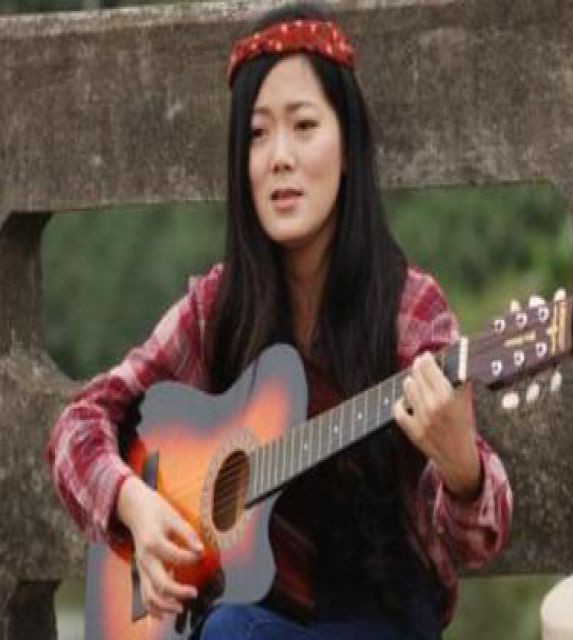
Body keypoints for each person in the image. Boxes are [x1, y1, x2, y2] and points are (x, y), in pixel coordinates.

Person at [46, 2, 512, 639]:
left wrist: (462, 470)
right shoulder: (218, 306)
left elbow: (480, 538)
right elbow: (78, 423)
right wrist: (136, 507)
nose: (280, 157)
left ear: (348, 148)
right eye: (258, 135)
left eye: (304, 125)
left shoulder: (408, 309)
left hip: (376, 615)